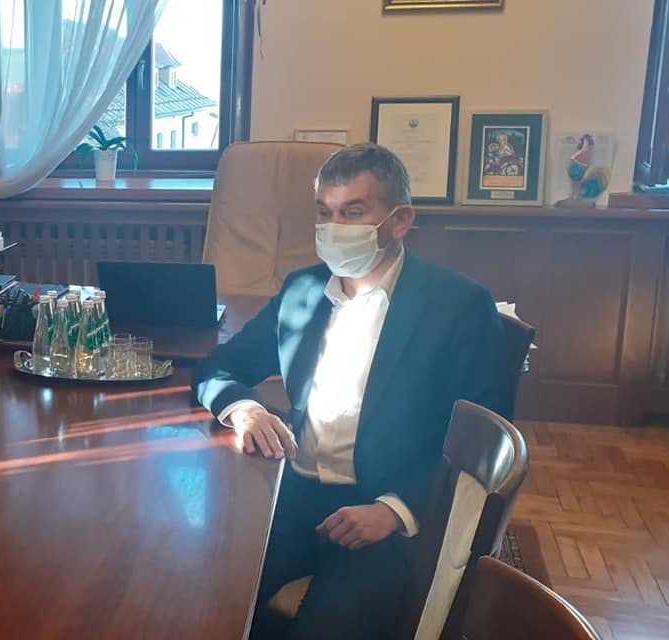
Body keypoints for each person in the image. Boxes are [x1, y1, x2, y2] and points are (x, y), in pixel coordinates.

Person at [192, 144, 503, 639]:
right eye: (324, 212)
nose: (333, 227)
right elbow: (218, 367)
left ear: (400, 221)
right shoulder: (302, 290)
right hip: (290, 494)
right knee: (199, 596)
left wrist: (396, 511)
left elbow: (482, 445)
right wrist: (245, 410)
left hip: (381, 510)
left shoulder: (459, 305)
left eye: (352, 213)